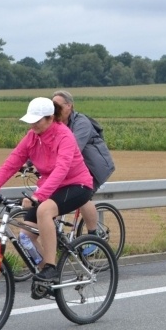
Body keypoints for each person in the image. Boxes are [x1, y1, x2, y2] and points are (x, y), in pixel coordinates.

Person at [0, 97, 94, 282]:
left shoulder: (64, 136)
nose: (32, 125)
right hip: (50, 187)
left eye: (37, 121)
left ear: (50, 118)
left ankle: (51, 267)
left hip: (76, 184)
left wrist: (39, 196)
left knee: (44, 210)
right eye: (30, 120)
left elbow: (61, 169)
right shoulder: (32, 137)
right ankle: (46, 278)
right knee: (25, 236)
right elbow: (11, 164)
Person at [51, 89, 116, 239]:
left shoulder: (82, 123)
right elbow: (43, 145)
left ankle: (94, 236)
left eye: (58, 106)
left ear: (69, 106)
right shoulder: (54, 123)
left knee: (81, 196)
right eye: (52, 106)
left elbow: (73, 148)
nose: (55, 110)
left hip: (94, 167)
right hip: (74, 166)